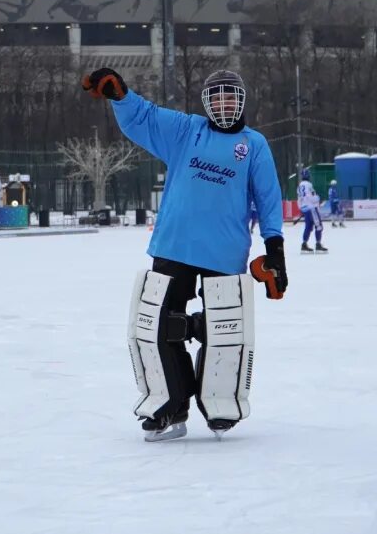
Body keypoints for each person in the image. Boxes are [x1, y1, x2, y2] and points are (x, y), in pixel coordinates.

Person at [82, 66, 286, 442]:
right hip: (174, 245)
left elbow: (269, 199)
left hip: (224, 253)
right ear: (206, 103)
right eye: (217, 96)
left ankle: (222, 404)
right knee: (159, 327)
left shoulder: (253, 144)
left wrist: (275, 248)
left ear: (241, 102)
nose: (224, 103)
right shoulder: (185, 130)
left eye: (231, 96)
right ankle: (169, 406)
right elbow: (144, 116)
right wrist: (121, 95)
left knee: (224, 333)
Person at [296, 168, 326, 252]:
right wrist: (318, 198)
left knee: (308, 227)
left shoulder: (299, 186)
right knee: (319, 226)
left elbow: (299, 199)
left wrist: (302, 208)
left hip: (305, 208)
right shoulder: (309, 185)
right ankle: (318, 244)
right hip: (311, 208)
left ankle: (304, 244)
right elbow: (311, 197)